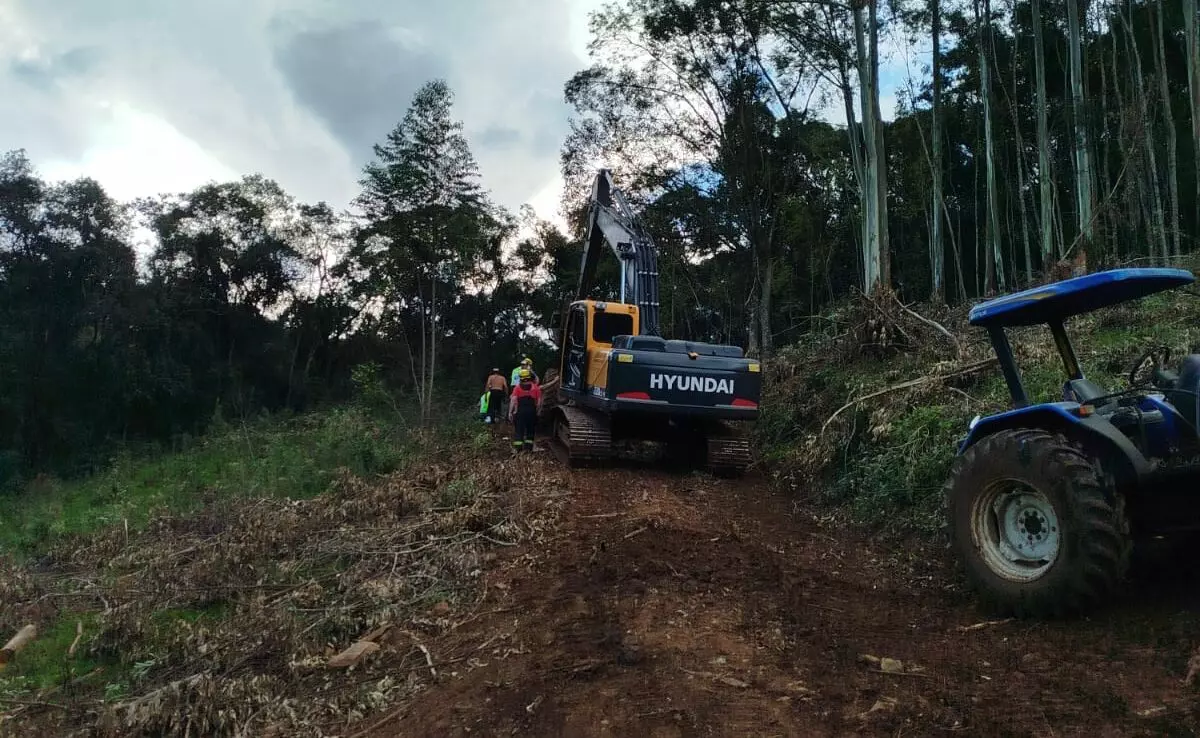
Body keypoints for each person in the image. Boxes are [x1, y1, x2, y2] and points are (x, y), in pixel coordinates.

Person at [508, 368, 542, 452]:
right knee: (530, 430)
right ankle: (528, 449)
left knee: (519, 430)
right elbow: (539, 402)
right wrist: (536, 412)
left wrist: (510, 412)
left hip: (520, 412)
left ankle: (518, 449)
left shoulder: (517, 388)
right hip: (531, 412)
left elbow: (513, 400)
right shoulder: (536, 388)